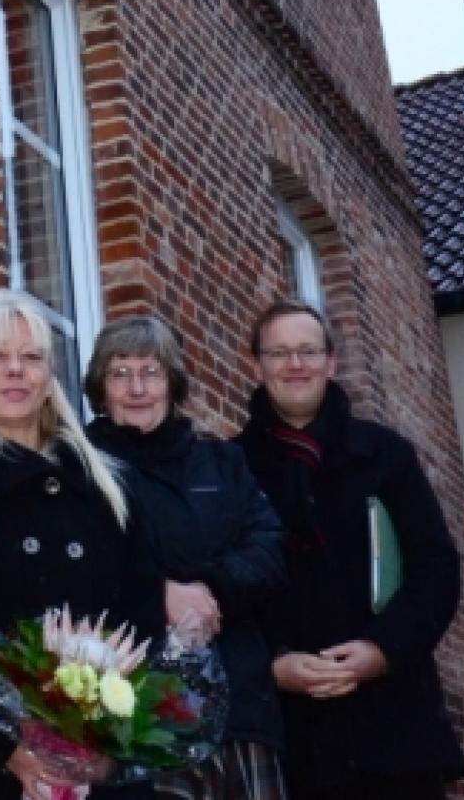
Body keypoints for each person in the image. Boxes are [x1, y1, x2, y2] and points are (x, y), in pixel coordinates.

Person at [0, 289, 163, 800]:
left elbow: (143, 623)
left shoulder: (109, 489)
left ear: (49, 377)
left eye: (31, 358)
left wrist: (106, 737)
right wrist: (1, 746)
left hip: (101, 770)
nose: (15, 370)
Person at [234, 300, 464, 800]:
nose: (295, 364)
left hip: (396, 730)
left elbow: (436, 571)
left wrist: (381, 650)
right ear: (256, 366)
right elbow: (223, 593)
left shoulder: (386, 455)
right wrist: (272, 665)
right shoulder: (229, 469)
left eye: (307, 351)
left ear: (331, 362)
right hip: (291, 741)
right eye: (278, 353)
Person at [82, 316, 289, 800]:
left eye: (150, 372)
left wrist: (210, 589)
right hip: (138, 709)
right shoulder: (81, 466)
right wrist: (158, 595)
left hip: (240, 705)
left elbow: (270, 548)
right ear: (100, 388)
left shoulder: (222, 462)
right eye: (120, 373)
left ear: (172, 383)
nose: (137, 388)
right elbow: (81, 566)